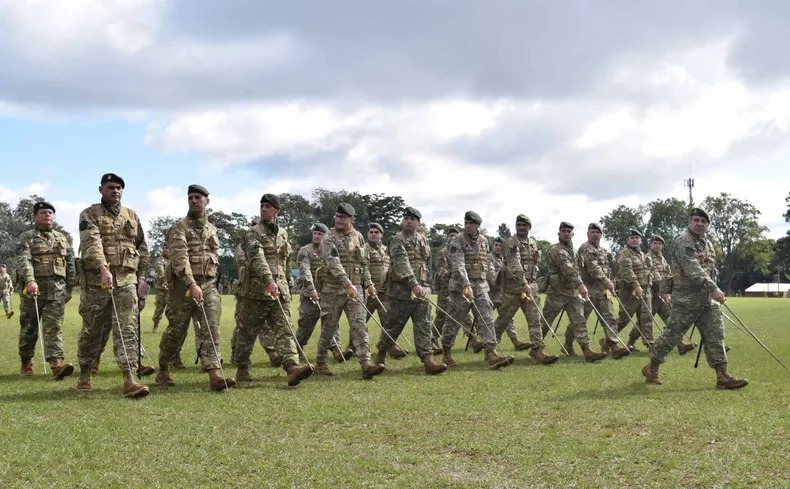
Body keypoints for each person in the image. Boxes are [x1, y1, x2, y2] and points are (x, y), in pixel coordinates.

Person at [642, 208, 747, 389]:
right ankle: (652, 367)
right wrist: (713, 287)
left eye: (703, 222)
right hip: (686, 299)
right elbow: (692, 268)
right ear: (690, 222)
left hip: (706, 300)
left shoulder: (708, 244)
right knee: (672, 336)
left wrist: (712, 289)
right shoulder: (683, 241)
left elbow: (709, 270)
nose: (700, 224)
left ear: (707, 226)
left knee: (716, 335)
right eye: (696, 220)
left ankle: (722, 376)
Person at [76, 173, 150, 397]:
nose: (115, 191)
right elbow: (91, 243)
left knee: (127, 329)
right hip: (97, 282)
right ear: (101, 190)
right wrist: (103, 268)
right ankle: (85, 372)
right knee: (93, 329)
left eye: (118, 188)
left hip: (127, 280)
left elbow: (142, 247)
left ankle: (130, 378)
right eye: (110, 187)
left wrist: (142, 277)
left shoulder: (132, 215)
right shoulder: (90, 214)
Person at [156, 185, 236, 390]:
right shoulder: (179, 228)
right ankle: (164, 367)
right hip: (182, 288)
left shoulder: (212, 230)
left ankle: (215, 374)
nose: (193, 200)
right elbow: (180, 260)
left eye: (198, 197)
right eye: (190, 197)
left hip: (208, 285)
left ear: (206, 201)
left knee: (211, 329)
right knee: (176, 331)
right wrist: (191, 284)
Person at [231, 193, 313, 386]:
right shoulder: (253, 233)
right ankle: (242, 368)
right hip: (256, 292)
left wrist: (289, 282)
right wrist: (269, 280)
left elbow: (285, 261)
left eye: (268, 206)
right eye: (262, 206)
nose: (264, 209)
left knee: (285, 329)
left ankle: (292, 367)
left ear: (276, 210)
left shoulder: (283, 233)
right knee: (247, 332)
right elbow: (256, 258)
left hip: (280, 291)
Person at [313, 203, 385, 379]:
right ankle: (320, 362)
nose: (339, 219)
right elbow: (333, 264)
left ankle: (366, 363)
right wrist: (347, 284)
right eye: (337, 216)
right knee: (329, 327)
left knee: (359, 325)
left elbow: (364, 263)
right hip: (333, 290)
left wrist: (368, 283)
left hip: (356, 289)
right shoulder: (328, 238)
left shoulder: (358, 237)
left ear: (352, 219)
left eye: (343, 217)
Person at [374, 207, 446, 375]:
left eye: (412, 219)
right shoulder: (397, 239)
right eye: (406, 218)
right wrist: (413, 283)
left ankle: (428, 361)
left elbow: (426, 264)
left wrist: (425, 284)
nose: (408, 221)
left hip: (422, 289)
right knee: (393, 326)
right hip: (401, 291)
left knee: (424, 325)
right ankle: (381, 355)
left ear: (418, 222)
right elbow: (401, 263)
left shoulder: (423, 240)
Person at [442, 211, 513, 369]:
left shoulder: (483, 241)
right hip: (460, 289)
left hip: (481, 287)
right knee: (454, 321)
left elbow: (485, 263)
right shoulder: (457, 241)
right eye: (466, 223)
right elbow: (458, 265)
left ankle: (491, 354)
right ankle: (446, 353)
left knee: (486, 318)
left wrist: (493, 282)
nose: (467, 226)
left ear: (477, 226)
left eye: (471, 223)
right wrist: (466, 285)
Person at [15, 201, 77, 379]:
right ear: (35, 217)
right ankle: (26, 363)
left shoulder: (62, 238)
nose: (47, 215)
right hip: (32, 292)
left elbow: (70, 264)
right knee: (29, 328)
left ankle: (56, 365)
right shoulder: (27, 237)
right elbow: (23, 260)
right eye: (43, 213)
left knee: (54, 328)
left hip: (57, 291)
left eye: (50, 212)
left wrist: (69, 288)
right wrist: (30, 280)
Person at [495, 214, 559, 364]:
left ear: (529, 227)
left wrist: (530, 284)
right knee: (503, 320)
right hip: (513, 289)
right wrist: (524, 282)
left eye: (524, 225)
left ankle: (538, 350)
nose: (521, 228)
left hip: (531, 287)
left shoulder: (533, 243)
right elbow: (513, 264)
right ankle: (490, 347)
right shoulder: (511, 242)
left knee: (535, 320)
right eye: (519, 225)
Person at [541, 222, 606, 362]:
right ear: (559, 233)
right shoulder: (556, 250)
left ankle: (586, 350)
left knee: (579, 321)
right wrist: (581, 285)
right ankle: (537, 349)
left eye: (569, 231)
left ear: (573, 234)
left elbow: (577, 269)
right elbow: (568, 270)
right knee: (545, 322)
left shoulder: (574, 251)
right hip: (557, 293)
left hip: (572, 292)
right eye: (563, 231)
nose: (566, 233)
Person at [294, 223, 350, 362]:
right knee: (306, 324)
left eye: (320, 234)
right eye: (315, 233)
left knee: (331, 322)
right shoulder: (305, 250)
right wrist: (311, 289)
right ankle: (297, 348)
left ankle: (336, 350)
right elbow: (305, 270)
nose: (317, 236)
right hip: (310, 295)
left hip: (328, 293)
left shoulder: (332, 249)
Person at [577, 223, 630, 359]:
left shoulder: (603, 251)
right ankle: (567, 343)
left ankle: (614, 347)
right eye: (593, 232)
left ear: (601, 235)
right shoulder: (585, 248)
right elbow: (593, 268)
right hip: (589, 291)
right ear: (588, 234)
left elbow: (607, 269)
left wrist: (611, 282)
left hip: (603, 291)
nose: (595, 235)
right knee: (580, 320)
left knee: (610, 318)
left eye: (598, 232)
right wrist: (607, 282)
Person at [647, 235, 697, 355]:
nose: (657, 245)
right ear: (650, 245)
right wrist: (662, 290)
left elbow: (669, 275)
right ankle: (632, 341)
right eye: (655, 243)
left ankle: (680, 345)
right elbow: (654, 274)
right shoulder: (647, 258)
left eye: (660, 243)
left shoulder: (662, 259)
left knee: (671, 320)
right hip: (652, 295)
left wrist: (670, 290)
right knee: (645, 321)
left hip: (662, 295)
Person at [364, 222, 405, 359]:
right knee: (360, 321)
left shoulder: (387, 250)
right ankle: (353, 346)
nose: (374, 234)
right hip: (368, 292)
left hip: (385, 292)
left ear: (382, 234)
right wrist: (368, 285)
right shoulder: (364, 249)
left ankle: (391, 347)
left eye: (377, 232)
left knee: (388, 321)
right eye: (371, 232)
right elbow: (364, 269)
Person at [486, 237, 532, 352]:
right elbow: (491, 278)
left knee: (506, 318)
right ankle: (485, 343)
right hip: (490, 293)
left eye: (500, 245)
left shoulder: (504, 258)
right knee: (486, 319)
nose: (498, 247)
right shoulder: (489, 259)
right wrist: (504, 270)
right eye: (496, 245)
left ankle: (514, 341)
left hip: (502, 293)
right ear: (492, 246)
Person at [615, 230, 654, 351]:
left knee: (646, 318)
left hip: (645, 290)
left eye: (637, 238)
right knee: (624, 319)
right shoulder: (625, 254)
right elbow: (627, 271)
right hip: (630, 292)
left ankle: (650, 343)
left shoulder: (642, 255)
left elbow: (648, 271)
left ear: (640, 241)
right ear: (627, 240)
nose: (634, 240)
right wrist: (636, 285)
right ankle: (608, 339)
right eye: (632, 238)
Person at [151, 245, 170, 333]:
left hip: (173, 290)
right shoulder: (159, 260)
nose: (165, 250)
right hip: (162, 290)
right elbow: (160, 270)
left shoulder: (174, 260)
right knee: (159, 309)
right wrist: (164, 279)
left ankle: (172, 327)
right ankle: (155, 325)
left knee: (173, 310)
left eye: (167, 248)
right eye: (164, 248)